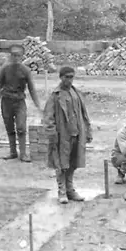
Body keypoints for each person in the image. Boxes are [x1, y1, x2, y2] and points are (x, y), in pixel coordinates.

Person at [42, 66, 92, 205]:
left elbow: (84, 114)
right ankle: (62, 191)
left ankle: (70, 189)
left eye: (72, 77)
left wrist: (88, 130)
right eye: (67, 77)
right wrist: (52, 134)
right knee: (61, 164)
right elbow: (48, 117)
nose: (69, 80)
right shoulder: (55, 95)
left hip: (77, 133)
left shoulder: (76, 93)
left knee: (73, 163)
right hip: (62, 136)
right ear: (61, 77)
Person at [0, 45, 40, 161]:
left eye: (18, 56)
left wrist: (38, 104)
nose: (15, 58)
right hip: (6, 101)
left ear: (22, 56)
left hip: (19, 102)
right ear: (10, 56)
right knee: (9, 127)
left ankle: (23, 153)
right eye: (13, 55)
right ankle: (13, 152)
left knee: (21, 127)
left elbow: (32, 88)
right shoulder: (5, 69)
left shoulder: (25, 70)